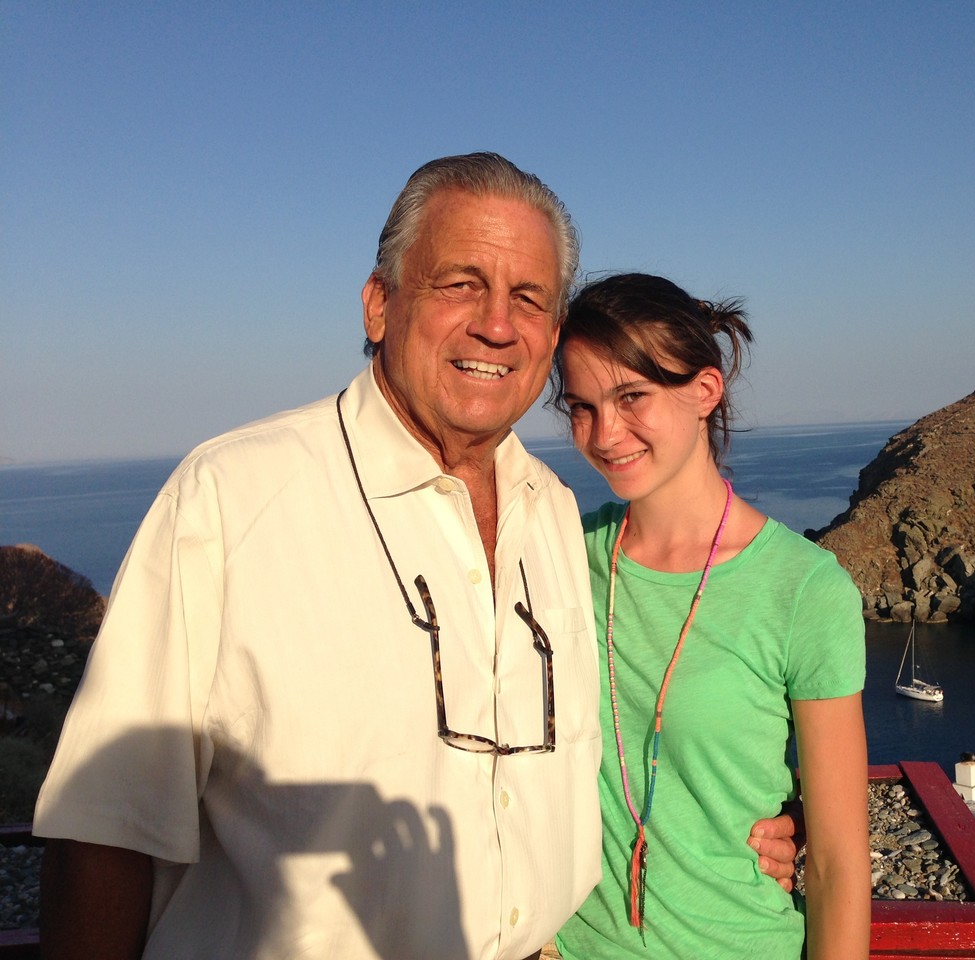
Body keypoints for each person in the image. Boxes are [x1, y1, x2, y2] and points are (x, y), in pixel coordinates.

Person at [33, 154, 798, 960]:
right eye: (461, 284)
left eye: (528, 298)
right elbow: (105, 831)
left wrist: (780, 818)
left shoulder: (557, 516)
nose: (497, 324)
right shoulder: (231, 500)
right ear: (379, 304)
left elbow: (640, 725)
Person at [549, 274, 871, 960]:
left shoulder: (802, 590)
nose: (605, 434)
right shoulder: (559, 557)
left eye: (631, 396)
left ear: (705, 390)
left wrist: (801, 822)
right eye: (581, 406)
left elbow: (841, 862)